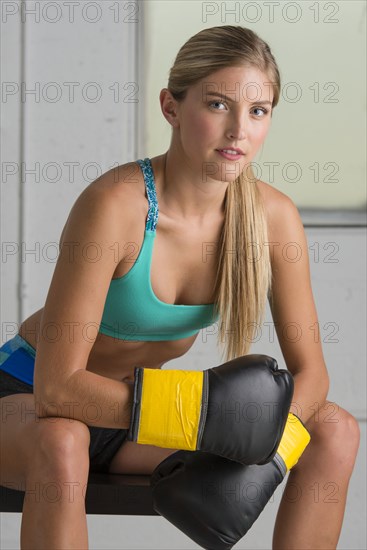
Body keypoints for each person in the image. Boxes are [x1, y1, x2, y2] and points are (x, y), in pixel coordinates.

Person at [0, 25, 360, 550]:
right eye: (218, 104)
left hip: (129, 418)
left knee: (335, 429)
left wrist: (268, 453)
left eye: (258, 111)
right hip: (28, 400)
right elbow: (59, 389)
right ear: (171, 107)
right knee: (63, 437)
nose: (239, 130)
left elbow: (313, 374)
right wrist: (208, 418)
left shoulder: (271, 219)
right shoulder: (116, 206)